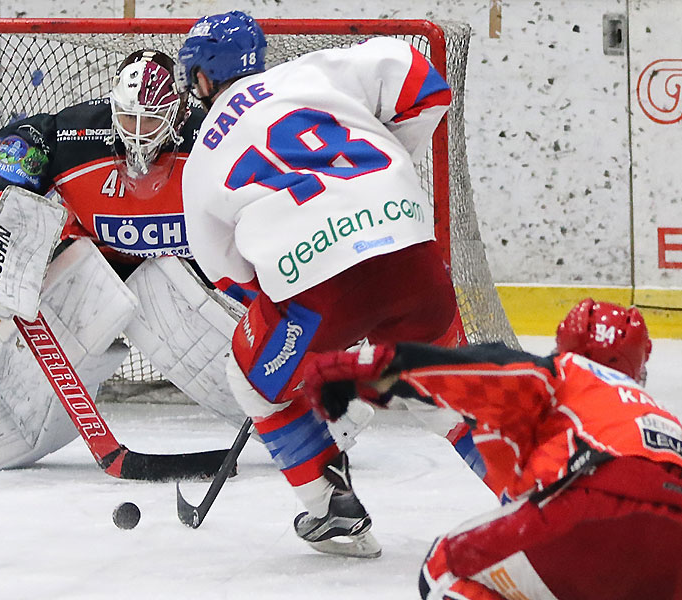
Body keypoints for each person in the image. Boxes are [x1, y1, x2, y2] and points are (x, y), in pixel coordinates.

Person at [176, 11, 467, 557]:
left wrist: (294, 301)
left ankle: (330, 509)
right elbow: (423, 82)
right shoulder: (314, 73)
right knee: (445, 388)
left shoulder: (201, 162)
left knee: (250, 378)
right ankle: (541, 490)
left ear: (203, 79)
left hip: (315, 295)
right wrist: (387, 169)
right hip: (413, 259)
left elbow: (227, 272)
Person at [0, 49, 236, 470]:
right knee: (80, 278)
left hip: (198, 274)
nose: (136, 132)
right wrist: (4, 220)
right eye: (127, 117)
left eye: (149, 119)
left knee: (184, 293)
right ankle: (9, 413)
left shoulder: (214, 140)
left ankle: (285, 405)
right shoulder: (77, 136)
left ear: (177, 111)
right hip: (100, 267)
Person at [302, 298, 682, 599]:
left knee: (447, 567)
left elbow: (489, 369)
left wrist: (372, 371)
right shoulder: (660, 413)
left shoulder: (568, 372)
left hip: (589, 498)